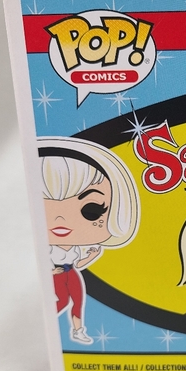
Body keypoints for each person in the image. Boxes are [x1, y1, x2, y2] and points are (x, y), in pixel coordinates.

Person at [38, 137, 140, 343]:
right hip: (58, 276)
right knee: (61, 301)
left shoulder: (74, 249)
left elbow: (77, 263)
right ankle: (46, 324)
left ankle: (78, 331)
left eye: (91, 210)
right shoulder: (46, 248)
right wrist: (51, 271)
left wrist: (92, 255)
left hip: (71, 273)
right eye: (44, 209)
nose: (60, 219)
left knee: (77, 301)